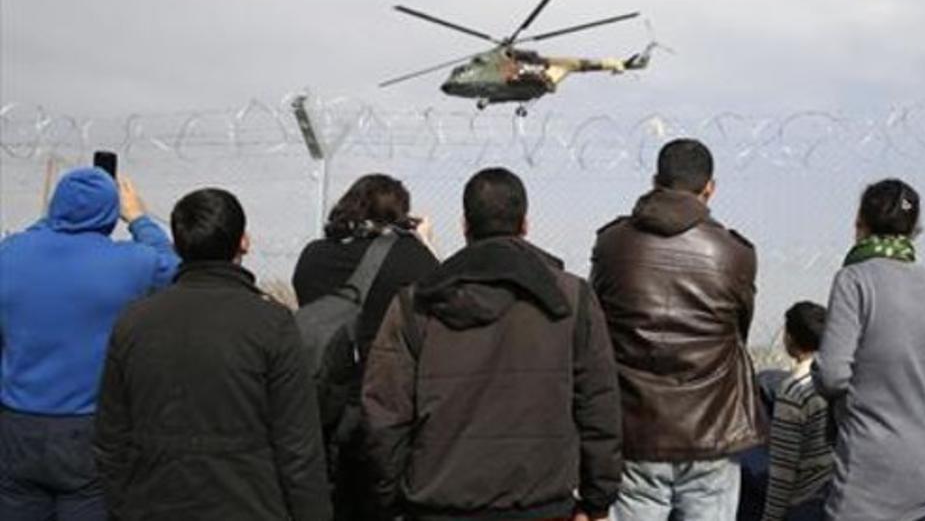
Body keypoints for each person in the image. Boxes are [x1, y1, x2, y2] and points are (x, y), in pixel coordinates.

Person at [363, 167, 622, 520]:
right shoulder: (572, 300)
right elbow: (598, 405)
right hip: (542, 504)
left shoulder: (416, 304)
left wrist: (390, 499)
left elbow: (385, 415)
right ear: (525, 225)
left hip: (439, 503)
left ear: (465, 225)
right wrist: (597, 500)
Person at [94, 188, 331, 521]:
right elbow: (298, 445)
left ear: (177, 246)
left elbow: (111, 438)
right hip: (249, 505)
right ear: (243, 242)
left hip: (152, 502)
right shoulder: (271, 324)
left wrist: (124, 505)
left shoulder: (134, 321)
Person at [590, 138, 764, 521]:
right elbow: (739, 332)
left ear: (655, 180)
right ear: (710, 188)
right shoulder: (734, 253)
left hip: (635, 428)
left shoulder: (612, 244)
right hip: (711, 431)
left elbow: (598, 330)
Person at [0, 167, 177, 520]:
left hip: (16, 425)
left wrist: (57, 215)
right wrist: (138, 217)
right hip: (86, 427)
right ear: (111, 214)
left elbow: (28, 236)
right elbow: (177, 267)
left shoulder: (9, 254)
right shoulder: (131, 263)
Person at [814, 178, 925, 521]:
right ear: (914, 230)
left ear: (860, 223)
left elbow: (831, 375)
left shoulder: (853, 281)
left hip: (868, 480)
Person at [292, 173, 438, 521]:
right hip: (387, 411)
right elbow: (438, 298)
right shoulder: (412, 258)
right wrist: (424, 243)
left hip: (323, 407)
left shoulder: (313, 257)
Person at [761, 302, 834, 521]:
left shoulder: (793, 391)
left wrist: (771, 516)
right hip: (838, 494)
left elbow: (784, 468)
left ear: (790, 337)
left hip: (806, 502)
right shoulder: (841, 380)